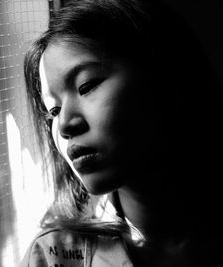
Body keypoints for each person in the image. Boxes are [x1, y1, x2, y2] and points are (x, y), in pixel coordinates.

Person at [20, 0, 223, 266]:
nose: (65, 125)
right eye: (53, 111)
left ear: (166, 78)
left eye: (87, 85)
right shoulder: (52, 256)